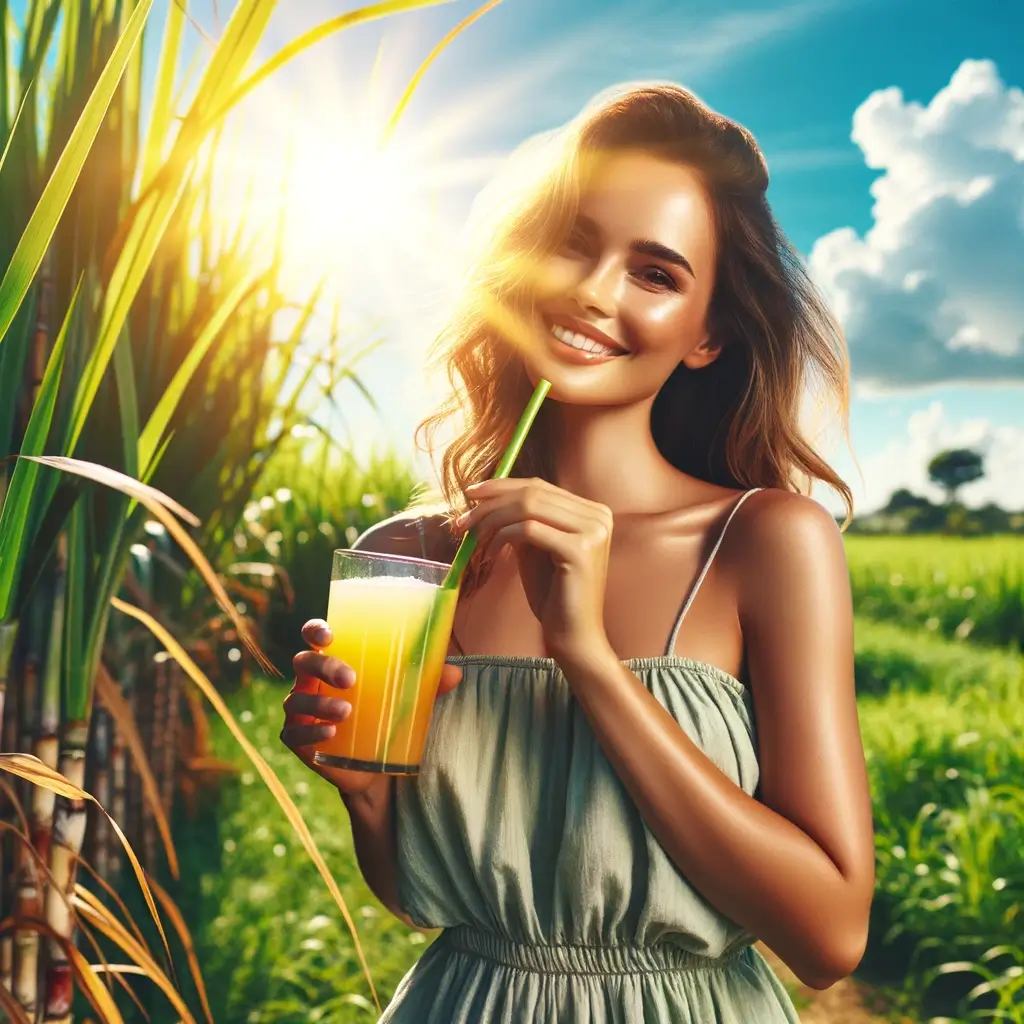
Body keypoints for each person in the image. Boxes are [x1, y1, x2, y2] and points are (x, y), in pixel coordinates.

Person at [280, 81, 875, 1022]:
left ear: (709, 332)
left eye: (655, 272)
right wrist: (365, 798)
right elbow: (420, 899)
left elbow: (830, 937)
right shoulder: (406, 558)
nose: (593, 291)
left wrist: (589, 657)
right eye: (573, 242)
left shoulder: (766, 542)